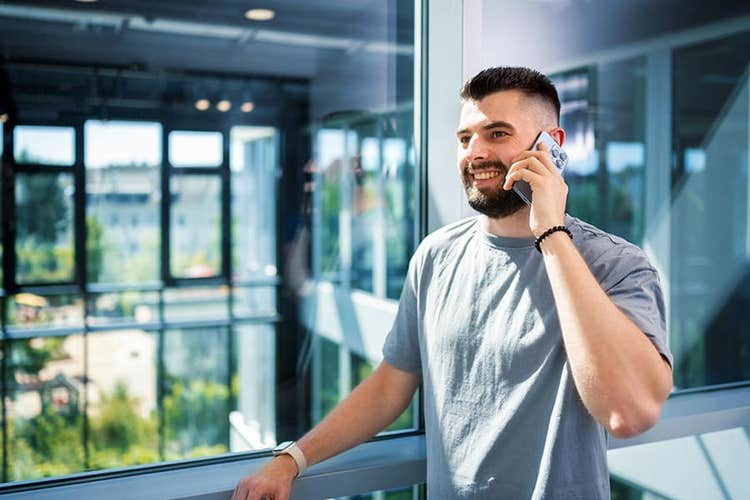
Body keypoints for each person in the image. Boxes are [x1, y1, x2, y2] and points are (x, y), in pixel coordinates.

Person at [232, 66, 673, 500]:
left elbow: (627, 414)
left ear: (551, 145)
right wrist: (292, 459)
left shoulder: (616, 264)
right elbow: (390, 385)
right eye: (466, 139)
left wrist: (551, 233)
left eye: (497, 133)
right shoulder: (435, 254)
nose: (474, 153)